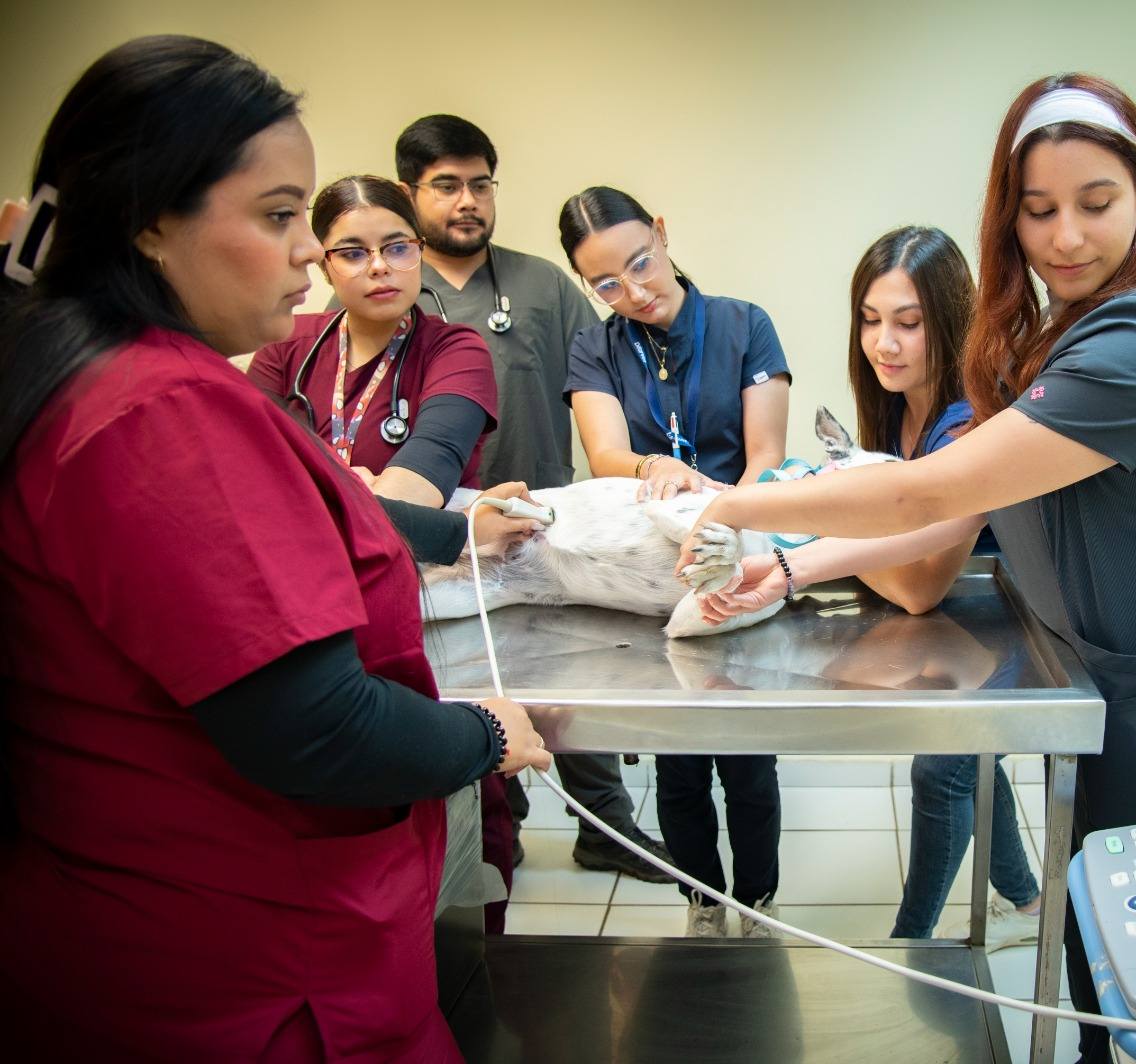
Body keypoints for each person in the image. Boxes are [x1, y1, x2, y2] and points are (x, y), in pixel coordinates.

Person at [680, 73, 1136, 1059]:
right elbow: (962, 505)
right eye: (1038, 209)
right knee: (1100, 980)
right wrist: (793, 571)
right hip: (1118, 707)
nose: (1066, 236)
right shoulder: (1063, 329)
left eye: (1096, 202)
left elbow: (920, 494)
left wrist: (733, 503)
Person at [0, 36, 551, 1060]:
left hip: (134, 928)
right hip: (254, 973)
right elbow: (319, 729)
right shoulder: (167, 408)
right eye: (279, 216)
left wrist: (460, 530)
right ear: (148, 220)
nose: (310, 253)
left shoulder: (87, 372)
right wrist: (479, 732)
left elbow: (307, 508)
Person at [699, 225, 1041, 947]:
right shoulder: (899, 402)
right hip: (968, 625)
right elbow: (880, 537)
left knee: (943, 771)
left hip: (1015, 625)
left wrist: (801, 543)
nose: (885, 344)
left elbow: (917, 587)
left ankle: (908, 945)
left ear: (950, 323)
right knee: (972, 762)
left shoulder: (968, 419)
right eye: (871, 320)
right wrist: (799, 559)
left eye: (908, 324)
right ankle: (1029, 900)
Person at [392, 115, 671, 887]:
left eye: (480, 184)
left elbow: (603, 384)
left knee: (576, 676)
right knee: (470, 679)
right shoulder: (395, 289)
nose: (468, 201)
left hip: (548, 522)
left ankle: (607, 827)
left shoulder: (543, 283)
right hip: (450, 535)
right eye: (446, 186)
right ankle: (498, 827)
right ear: (412, 194)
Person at [560, 184, 790, 935]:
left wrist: (724, 521)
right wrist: (651, 465)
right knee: (678, 766)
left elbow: (766, 458)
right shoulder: (596, 348)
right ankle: (702, 903)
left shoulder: (744, 325)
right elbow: (605, 454)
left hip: (737, 556)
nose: (634, 292)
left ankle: (757, 902)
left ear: (661, 233)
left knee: (748, 761)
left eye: (641, 263)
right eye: (606, 284)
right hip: (655, 578)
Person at [249, 175, 499, 507]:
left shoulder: (457, 352)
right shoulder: (283, 346)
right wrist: (359, 488)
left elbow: (419, 487)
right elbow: (251, 475)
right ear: (325, 267)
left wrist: (315, 489)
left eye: (398, 248)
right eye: (353, 253)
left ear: (420, 251)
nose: (379, 266)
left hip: (418, 543)